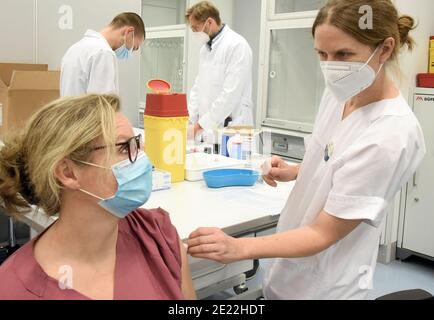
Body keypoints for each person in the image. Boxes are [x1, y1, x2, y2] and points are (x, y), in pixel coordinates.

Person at [187, 0, 426, 300]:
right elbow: (334, 158)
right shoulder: (341, 93)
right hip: (288, 273)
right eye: (322, 54)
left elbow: (322, 233)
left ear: (385, 49)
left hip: (326, 288)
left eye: (343, 54)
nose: (330, 66)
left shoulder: (390, 134)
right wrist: (297, 171)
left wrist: (238, 248)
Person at [0, 94, 195, 300]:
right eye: (123, 147)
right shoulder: (13, 290)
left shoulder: (158, 235)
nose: (143, 158)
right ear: (68, 173)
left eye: (136, 143)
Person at [186, 1, 254, 142]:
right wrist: (189, 120)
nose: (194, 33)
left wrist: (199, 126)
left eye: (195, 28)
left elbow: (229, 94)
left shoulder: (237, 45)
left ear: (209, 22)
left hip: (232, 129)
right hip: (207, 131)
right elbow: (198, 88)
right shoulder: (205, 50)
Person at [60, 13, 145, 97]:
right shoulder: (104, 53)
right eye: (133, 48)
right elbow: (102, 103)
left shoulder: (74, 48)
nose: (129, 53)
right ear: (129, 32)